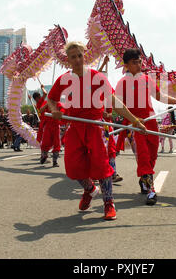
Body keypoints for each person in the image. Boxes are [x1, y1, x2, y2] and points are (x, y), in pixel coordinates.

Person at [47, 41, 147, 221]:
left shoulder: (97, 77)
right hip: (75, 127)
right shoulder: (64, 79)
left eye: (79, 55)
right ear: (68, 60)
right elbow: (51, 98)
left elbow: (116, 103)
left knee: (102, 166)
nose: (77, 60)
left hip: (96, 126)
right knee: (72, 166)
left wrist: (135, 121)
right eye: (73, 57)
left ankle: (109, 203)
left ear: (84, 55)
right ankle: (90, 189)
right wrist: (54, 110)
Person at [115, 49, 176, 205]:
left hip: (150, 123)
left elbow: (160, 96)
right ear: (127, 65)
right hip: (134, 125)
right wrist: (132, 120)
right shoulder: (122, 83)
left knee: (152, 155)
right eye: (134, 62)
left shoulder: (146, 79)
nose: (138, 64)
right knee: (143, 156)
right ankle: (151, 191)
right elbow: (117, 104)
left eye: (139, 61)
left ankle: (145, 179)